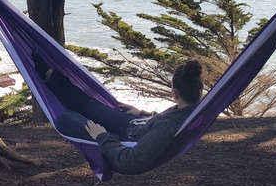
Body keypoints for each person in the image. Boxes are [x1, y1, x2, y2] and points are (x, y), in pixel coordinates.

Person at [35, 57, 204, 174]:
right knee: (88, 105)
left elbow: (131, 161)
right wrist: (143, 113)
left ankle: (45, 76)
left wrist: (102, 137)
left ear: (175, 93)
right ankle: (47, 73)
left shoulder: (168, 127)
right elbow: (164, 121)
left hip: (124, 141)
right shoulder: (194, 110)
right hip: (135, 125)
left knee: (64, 118)